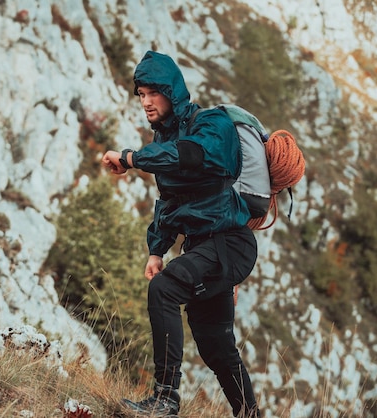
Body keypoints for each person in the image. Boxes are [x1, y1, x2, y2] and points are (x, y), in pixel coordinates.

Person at [102, 50, 261, 417]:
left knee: (165, 290)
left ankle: (165, 399)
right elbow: (170, 202)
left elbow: (187, 156)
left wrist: (131, 158)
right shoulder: (163, 141)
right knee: (215, 344)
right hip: (202, 249)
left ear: (171, 92)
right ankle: (250, 414)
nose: (145, 102)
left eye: (152, 93)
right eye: (140, 94)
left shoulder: (212, 124)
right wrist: (156, 251)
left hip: (229, 244)